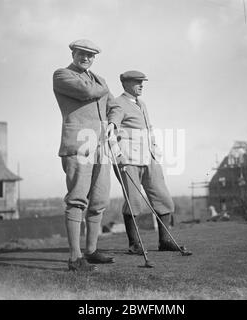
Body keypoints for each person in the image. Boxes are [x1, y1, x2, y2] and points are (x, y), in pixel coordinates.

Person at [53, 39, 122, 271]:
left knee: (100, 200)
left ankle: (91, 251)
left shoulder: (98, 80)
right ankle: (75, 257)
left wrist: (113, 123)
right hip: (78, 144)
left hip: (102, 146)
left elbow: (116, 107)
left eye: (90, 56)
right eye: (81, 54)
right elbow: (86, 92)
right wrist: (105, 87)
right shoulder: (62, 75)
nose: (86, 58)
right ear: (72, 53)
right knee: (77, 199)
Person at [110, 70, 190, 254]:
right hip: (128, 160)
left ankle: (165, 241)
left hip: (150, 159)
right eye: (137, 82)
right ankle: (134, 245)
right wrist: (118, 155)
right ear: (126, 84)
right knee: (134, 201)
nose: (141, 85)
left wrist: (155, 149)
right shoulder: (117, 104)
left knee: (163, 198)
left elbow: (148, 128)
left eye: (142, 82)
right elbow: (110, 131)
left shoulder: (142, 103)